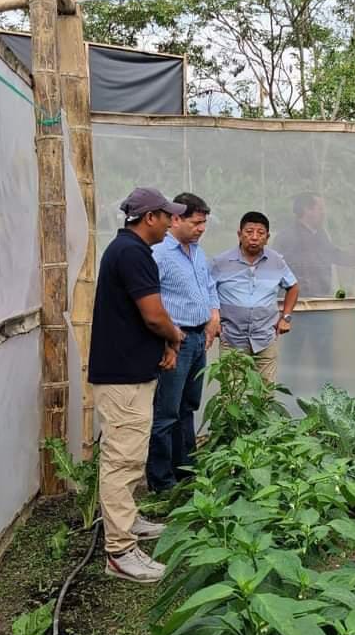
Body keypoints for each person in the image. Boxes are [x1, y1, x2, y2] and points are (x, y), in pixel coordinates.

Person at [88, 188, 187, 584]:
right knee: (122, 460)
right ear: (150, 218)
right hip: (123, 378)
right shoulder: (132, 254)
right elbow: (153, 315)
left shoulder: (128, 250)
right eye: (167, 216)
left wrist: (162, 344)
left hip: (128, 373)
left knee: (128, 455)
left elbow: (140, 317)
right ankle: (119, 552)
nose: (171, 223)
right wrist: (175, 336)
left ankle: (127, 521)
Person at [147, 192, 220, 495]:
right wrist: (168, 339)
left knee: (188, 406)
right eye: (196, 223)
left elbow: (209, 286)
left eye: (204, 223)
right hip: (174, 341)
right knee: (166, 412)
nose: (201, 229)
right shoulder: (159, 254)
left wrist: (214, 315)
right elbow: (149, 299)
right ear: (176, 219)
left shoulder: (197, 252)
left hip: (198, 338)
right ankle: (162, 481)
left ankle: (186, 471)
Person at [211, 211, 299, 383]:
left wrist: (286, 317)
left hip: (265, 337)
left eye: (260, 233)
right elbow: (207, 291)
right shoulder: (220, 262)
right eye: (249, 232)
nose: (254, 237)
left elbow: (293, 287)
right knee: (232, 391)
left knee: (266, 391)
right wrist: (213, 319)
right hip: (232, 338)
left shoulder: (276, 261)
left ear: (267, 237)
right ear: (239, 234)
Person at [275, 192, 355, 298]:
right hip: (297, 300)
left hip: (318, 298)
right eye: (320, 209)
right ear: (307, 210)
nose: (324, 213)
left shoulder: (319, 234)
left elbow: (333, 254)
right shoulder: (287, 236)